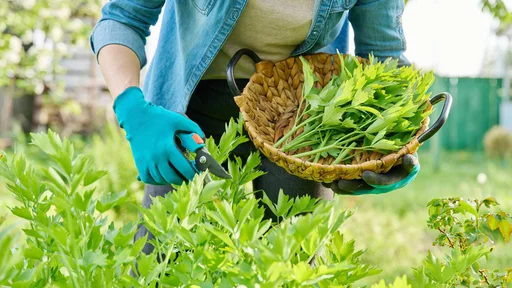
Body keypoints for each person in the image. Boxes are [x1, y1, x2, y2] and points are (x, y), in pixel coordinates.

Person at [90, 0, 419, 255]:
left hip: (304, 121)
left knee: (293, 266)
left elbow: (384, 57)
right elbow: (122, 18)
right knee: (160, 257)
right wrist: (133, 109)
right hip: (189, 107)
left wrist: (396, 144)